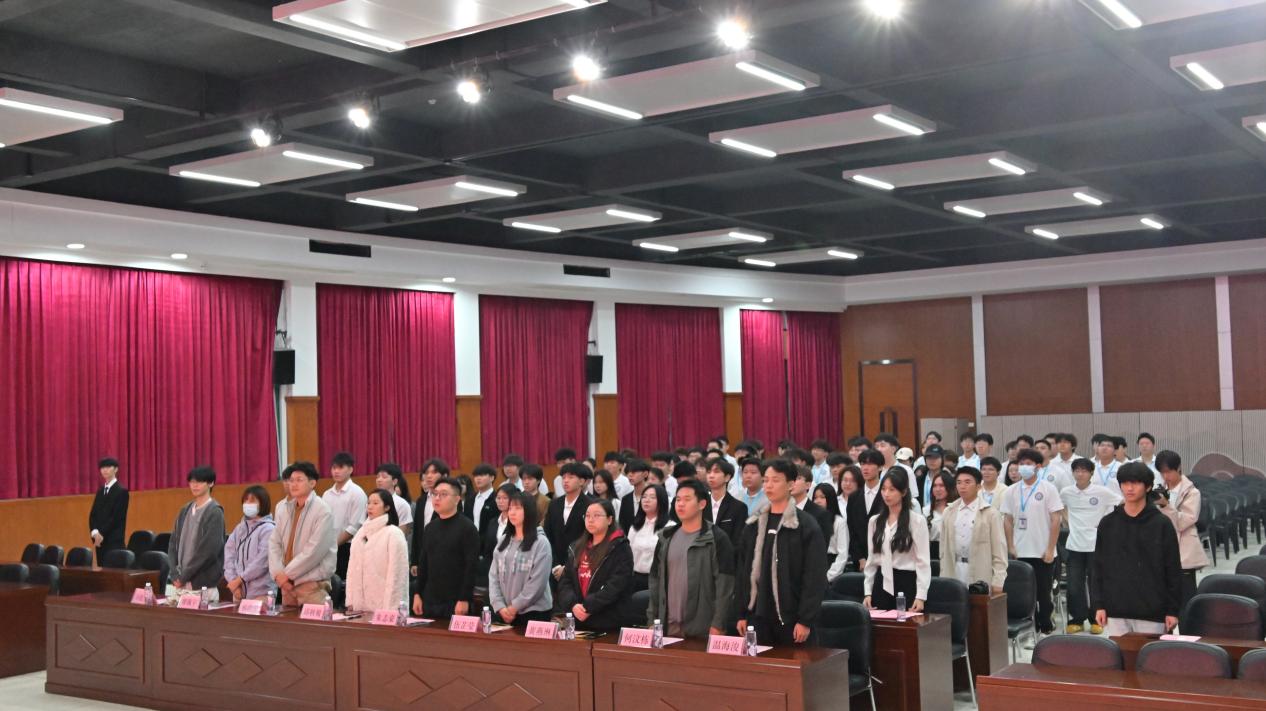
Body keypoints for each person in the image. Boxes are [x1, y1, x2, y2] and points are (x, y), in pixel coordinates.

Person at [735, 459, 827, 646]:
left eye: (775, 480)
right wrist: (741, 613)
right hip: (757, 616)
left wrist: (805, 619)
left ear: (791, 484)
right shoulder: (754, 524)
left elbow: (814, 576)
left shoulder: (805, 525)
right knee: (758, 663)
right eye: (766, 480)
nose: (768, 485)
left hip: (792, 618)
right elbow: (743, 572)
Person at [1093, 463, 1183, 636]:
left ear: (1148, 487)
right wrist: (1099, 605)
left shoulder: (1161, 524)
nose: (1129, 488)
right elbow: (1098, 566)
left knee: (1151, 654)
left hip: (1152, 611)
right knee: (1118, 653)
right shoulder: (1108, 523)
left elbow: (1172, 569)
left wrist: (1172, 610)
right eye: (1125, 483)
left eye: (1135, 483)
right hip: (1115, 609)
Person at [646, 479, 735, 639]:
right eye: (678, 499)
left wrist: (718, 624)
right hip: (667, 627)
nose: (680, 504)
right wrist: (652, 619)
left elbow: (725, 586)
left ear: (702, 504)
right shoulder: (666, 537)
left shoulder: (717, 538)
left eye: (687, 499)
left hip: (703, 628)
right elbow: (655, 581)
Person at [1000, 449, 1064, 636]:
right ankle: (1030, 630)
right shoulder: (1011, 490)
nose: (1024, 467)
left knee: (1043, 592)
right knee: (1024, 594)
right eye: (1021, 464)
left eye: (1028, 464)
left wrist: (1050, 549)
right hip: (1020, 551)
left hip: (1043, 551)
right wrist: (1011, 546)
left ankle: (1045, 627)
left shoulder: (1048, 488)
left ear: (1038, 466)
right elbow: (1008, 520)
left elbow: (1056, 519)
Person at [1060, 458, 1121, 634]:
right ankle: (1077, 619)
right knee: (1074, 585)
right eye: (1077, 470)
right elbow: (1058, 507)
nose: (1080, 474)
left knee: (1096, 584)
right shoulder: (1066, 492)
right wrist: (1068, 520)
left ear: (1091, 473)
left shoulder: (1101, 491)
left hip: (1096, 545)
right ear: (1073, 473)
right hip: (1074, 545)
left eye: (1084, 471)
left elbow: (1121, 502)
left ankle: (1096, 619)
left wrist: (1107, 526)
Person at [557, 499, 634, 632]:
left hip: (609, 621)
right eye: (587, 516)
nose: (590, 520)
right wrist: (573, 604)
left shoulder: (620, 547)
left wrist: (589, 607)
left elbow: (616, 585)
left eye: (596, 515)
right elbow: (566, 581)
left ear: (609, 520)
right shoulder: (576, 547)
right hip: (578, 619)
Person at [270, 461, 337, 606]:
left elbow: (314, 551)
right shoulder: (284, 509)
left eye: (299, 480)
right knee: (288, 621)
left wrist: (286, 574)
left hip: (311, 584)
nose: (293, 484)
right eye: (291, 480)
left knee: (314, 622)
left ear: (312, 483)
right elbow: (274, 543)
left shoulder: (322, 510)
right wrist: (278, 573)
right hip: (287, 585)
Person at [863, 468, 931, 612]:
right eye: (883, 489)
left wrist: (921, 595)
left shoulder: (917, 521)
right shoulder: (874, 521)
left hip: (906, 581)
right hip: (881, 582)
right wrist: (867, 591)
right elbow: (872, 560)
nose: (886, 494)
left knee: (905, 624)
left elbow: (923, 561)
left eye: (892, 489)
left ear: (904, 492)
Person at [413, 477, 479, 618]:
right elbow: (423, 564)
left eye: (443, 494)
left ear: (457, 499)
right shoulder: (430, 528)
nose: (437, 498)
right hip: (429, 600)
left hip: (456, 601)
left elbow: (471, 567)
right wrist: (418, 593)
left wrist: (464, 598)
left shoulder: (467, 528)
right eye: (435, 494)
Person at [489, 491, 554, 626]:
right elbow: (493, 576)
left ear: (529, 511)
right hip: (504, 611)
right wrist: (499, 606)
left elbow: (537, 583)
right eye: (510, 508)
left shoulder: (541, 542)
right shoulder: (504, 540)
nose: (512, 512)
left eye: (518, 508)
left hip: (534, 612)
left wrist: (514, 607)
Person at [939, 468, 1007, 594]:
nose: (962, 486)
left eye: (967, 482)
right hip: (953, 569)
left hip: (980, 571)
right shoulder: (949, 511)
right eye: (959, 482)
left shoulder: (990, 513)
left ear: (978, 486)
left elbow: (999, 552)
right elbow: (943, 548)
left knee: (977, 605)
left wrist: (998, 580)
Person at [1154, 450, 1206, 612]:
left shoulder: (1192, 492)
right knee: (1163, 601)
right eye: (1162, 472)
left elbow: (1185, 522)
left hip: (1184, 552)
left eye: (1169, 471)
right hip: (1161, 549)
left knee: (1186, 601)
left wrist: (1165, 506)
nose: (1166, 476)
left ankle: (1188, 628)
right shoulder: (1159, 491)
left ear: (1178, 468)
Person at [345, 489, 409, 614]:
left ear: (387, 507)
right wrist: (351, 601)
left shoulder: (393, 533)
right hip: (359, 606)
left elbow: (398, 575)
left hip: (384, 607)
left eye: (375, 503)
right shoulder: (360, 533)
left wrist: (391, 610)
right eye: (368, 503)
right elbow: (351, 570)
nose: (370, 507)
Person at [168, 466, 226, 599]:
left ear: (211, 483)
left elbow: (208, 552)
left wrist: (184, 576)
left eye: (199, 481)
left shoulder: (214, 512)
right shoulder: (185, 510)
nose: (194, 485)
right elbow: (173, 544)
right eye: (192, 482)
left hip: (203, 585)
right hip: (181, 584)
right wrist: (175, 575)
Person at [223, 485, 276, 603]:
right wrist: (233, 582)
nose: (247, 503)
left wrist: (240, 580)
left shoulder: (269, 529)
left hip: (261, 594)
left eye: (252, 500)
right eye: (245, 500)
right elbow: (229, 555)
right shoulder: (239, 529)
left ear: (262, 503)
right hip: (238, 592)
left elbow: (261, 562)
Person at [545, 462, 596, 576]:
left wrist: (568, 568)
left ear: (581, 481)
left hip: (579, 568)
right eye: (563, 478)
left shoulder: (590, 505)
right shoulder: (554, 504)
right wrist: (556, 565)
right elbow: (548, 535)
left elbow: (590, 539)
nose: (566, 481)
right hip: (555, 568)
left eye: (571, 477)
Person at [323, 451, 366, 579]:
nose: (336, 471)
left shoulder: (357, 493)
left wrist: (334, 544)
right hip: (328, 547)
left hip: (348, 547)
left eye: (340, 467)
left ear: (350, 469)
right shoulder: (327, 494)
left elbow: (355, 526)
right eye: (334, 468)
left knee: (344, 583)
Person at [847, 449, 887, 571]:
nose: (865, 468)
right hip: (860, 562)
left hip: (885, 558)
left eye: (870, 464)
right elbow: (851, 530)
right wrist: (860, 558)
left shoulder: (887, 495)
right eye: (863, 464)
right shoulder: (854, 497)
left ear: (880, 467)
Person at [88, 457, 129, 566]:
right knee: (102, 570)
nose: (105, 470)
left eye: (108, 467)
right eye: (102, 468)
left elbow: (116, 518)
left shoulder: (121, 491)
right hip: (100, 541)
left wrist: (101, 533)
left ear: (116, 469)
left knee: (114, 571)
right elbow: (93, 515)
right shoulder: (100, 491)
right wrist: (94, 532)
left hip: (114, 541)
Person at [628, 484, 668, 591]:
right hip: (634, 577)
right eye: (644, 497)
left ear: (661, 501)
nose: (646, 500)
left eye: (652, 497)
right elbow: (628, 553)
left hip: (657, 580)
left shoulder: (669, 527)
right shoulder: (635, 527)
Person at [477, 484, 517, 588]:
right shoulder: (493, 522)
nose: (500, 501)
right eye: (498, 498)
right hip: (492, 571)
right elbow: (487, 550)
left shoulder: (517, 523)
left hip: (511, 572)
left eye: (505, 498)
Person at [705, 458, 746, 547]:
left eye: (716, 472)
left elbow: (738, 541)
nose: (711, 476)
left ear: (727, 477)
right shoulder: (700, 505)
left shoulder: (739, 507)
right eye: (708, 472)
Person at [813, 483, 849, 580]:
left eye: (822, 497)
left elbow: (843, 554)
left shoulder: (839, 522)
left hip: (831, 565)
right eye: (815, 498)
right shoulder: (810, 520)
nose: (818, 501)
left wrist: (829, 576)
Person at [373, 463, 414, 540]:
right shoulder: (371, 501)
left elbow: (402, 534)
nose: (379, 480)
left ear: (394, 481)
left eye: (384, 477)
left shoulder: (402, 504)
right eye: (377, 477)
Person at [923, 470, 957, 560]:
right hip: (931, 555)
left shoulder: (957, 509)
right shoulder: (926, 511)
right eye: (935, 486)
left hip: (952, 553)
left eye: (941, 485)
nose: (938, 489)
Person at [793, 466, 835, 536]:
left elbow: (823, 541)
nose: (792, 482)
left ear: (808, 485)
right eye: (790, 478)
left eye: (798, 478)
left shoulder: (821, 513)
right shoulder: (781, 509)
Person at [464, 463, 499, 535]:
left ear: (492, 478)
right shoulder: (469, 499)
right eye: (476, 476)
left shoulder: (497, 499)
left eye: (482, 475)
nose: (478, 478)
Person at [618, 459, 652, 531]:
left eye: (634, 472)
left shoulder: (654, 497)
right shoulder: (625, 499)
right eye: (628, 472)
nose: (630, 475)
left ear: (645, 474)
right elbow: (622, 524)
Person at [914, 445, 949, 510]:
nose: (932, 461)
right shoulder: (919, 480)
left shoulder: (948, 479)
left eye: (935, 458)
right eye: (929, 458)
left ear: (942, 459)